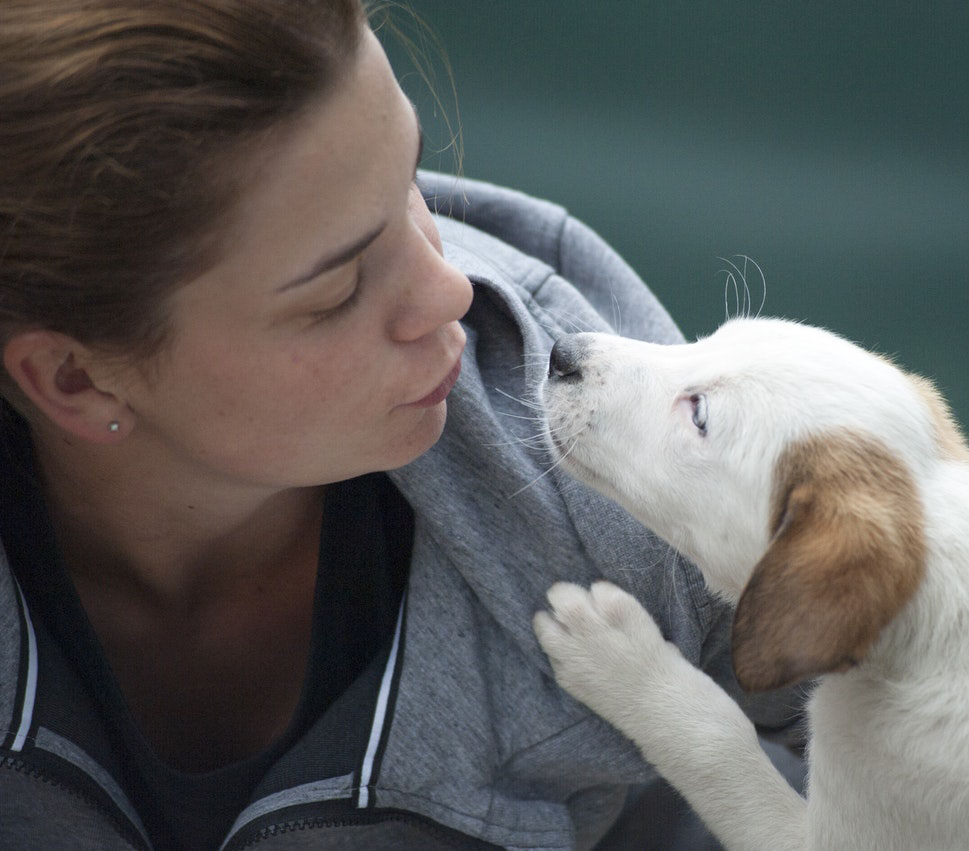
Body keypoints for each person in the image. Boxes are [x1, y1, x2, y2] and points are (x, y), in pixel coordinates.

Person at [0, 2, 804, 849]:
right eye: (338, 290)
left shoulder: (623, 495)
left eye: (411, 182)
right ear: (75, 379)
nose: (448, 288)